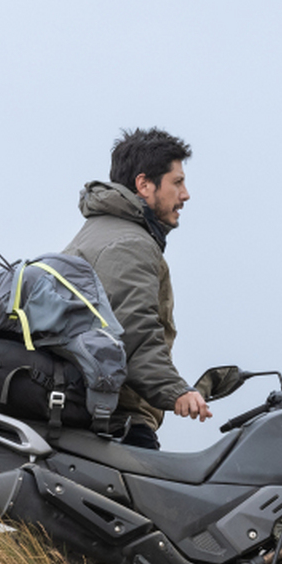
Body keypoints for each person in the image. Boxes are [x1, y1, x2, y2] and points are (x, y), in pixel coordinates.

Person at [65, 128, 211, 449]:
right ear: (144, 185)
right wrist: (176, 392)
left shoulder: (95, 233)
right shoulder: (131, 242)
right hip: (115, 421)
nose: (185, 194)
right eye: (177, 182)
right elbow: (132, 334)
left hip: (84, 414)